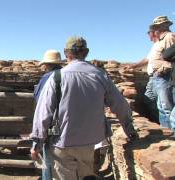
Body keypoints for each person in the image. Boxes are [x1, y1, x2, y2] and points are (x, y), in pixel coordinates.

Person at [30, 36, 138, 180]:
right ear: (86, 52)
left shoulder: (57, 77)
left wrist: (37, 141)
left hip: (62, 141)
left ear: (66, 52)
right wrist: (129, 128)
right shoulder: (99, 75)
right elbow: (120, 104)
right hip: (90, 142)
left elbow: (43, 112)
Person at [33, 49, 62, 180]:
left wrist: (38, 138)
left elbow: (41, 103)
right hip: (73, 129)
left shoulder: (47, 78)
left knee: (48, 163)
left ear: (47, 64)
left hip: (52, 128)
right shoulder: (68, 75)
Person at [143, 16, 175, 131]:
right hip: (159, 76)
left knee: (166, 107)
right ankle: (166, 131)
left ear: (165, 25)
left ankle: (171, 133)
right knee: (161, 106)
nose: (157, 28)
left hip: (164, 75)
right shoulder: (161, 40)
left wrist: (163, 69)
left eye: (158, 26)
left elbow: (171, 57)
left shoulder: (169, 37)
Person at [126, 25, 160, 121]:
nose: (148, 36)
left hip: (160, 76)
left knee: (164, 104)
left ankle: (166, 127)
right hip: (153, 77)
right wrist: (133, 66)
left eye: (149, 33)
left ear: (153, 33)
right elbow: (147, 60)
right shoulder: (155, 46)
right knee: (149, 99)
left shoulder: (163, 43)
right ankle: (158, 122)